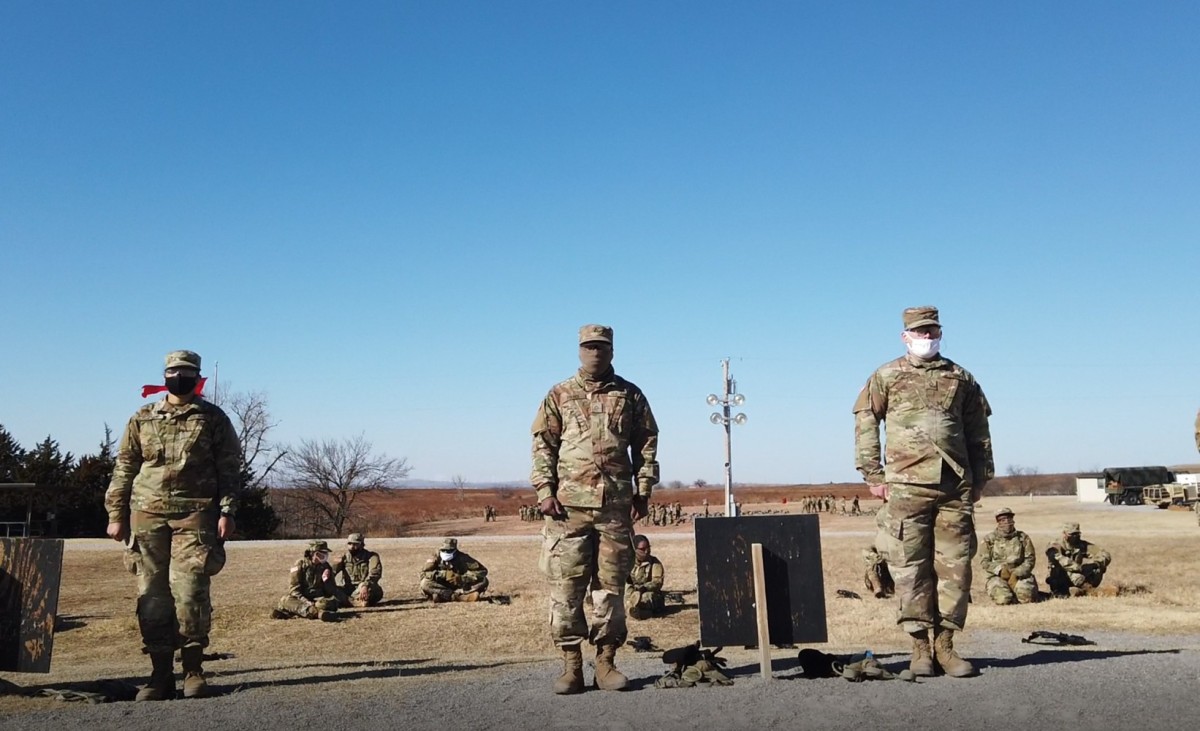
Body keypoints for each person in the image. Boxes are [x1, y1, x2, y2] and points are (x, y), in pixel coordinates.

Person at [853, 306, 993, 678]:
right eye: (920, 332)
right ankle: (919, 650)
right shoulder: (885, 376)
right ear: (905, 336)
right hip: (904, 485)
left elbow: (979, 431)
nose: (927, 338)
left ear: (940, 333)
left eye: (932, 332)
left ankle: (946, 647)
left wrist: (981, 479)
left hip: (953, 487)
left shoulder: (960, 378)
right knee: (909, 568)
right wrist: (873, 474)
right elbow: (866, 422)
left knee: (955, 569)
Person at [104, 350, 241, 701]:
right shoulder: (142, 418)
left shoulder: (213, 418)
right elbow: (125, 467)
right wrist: (115, 515)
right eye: (173, 371)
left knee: (191, 593)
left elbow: (229, 470)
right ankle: (160, 675)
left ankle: (193, 671)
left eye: (186, 372)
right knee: (152, 597)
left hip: (195, 516)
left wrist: (227, 511)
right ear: (164, 376)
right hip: (147, 515)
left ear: (197, 379)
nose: (179, 376)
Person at [531, 324, 659, 694]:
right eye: (588, 347)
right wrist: (545, 490)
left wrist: (644, 489)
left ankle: (605, 662)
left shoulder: (630, 395)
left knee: (610, 589)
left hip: (614, 508)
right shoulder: (560, 394)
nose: (595, 353)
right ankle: (571, 666)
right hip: (566, 510)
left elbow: (646, 443)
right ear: (579, 350)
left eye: (601, 347)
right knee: (566, 588)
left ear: (612, 350)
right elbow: (543, 445)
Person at [274, 539, 347, 620]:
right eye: (322, 553)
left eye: (326, 553)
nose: (325, 556)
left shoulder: (326, 566)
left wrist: (326, 580)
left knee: (327, 604)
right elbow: (294, 590)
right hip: (302, 598)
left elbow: (331, 591)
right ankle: (317, 613)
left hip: (318, 599)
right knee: (285, 600)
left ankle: (294, 613)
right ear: (314, 554)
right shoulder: (300, 565)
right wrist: (305, 601)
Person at [979, 508, 1038, 604]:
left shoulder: (1023, 537)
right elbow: (984, 561)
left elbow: (1030, 559)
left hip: (1020, 576)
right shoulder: (989, 539)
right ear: (998, 522)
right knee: (1003, 599)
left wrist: (1017, 573)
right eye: (1003, 520)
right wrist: (1000, 570)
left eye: (1009, 519)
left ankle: (1019, 593)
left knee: (1026, 598)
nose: (1006, 522)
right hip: (997, 577)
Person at [1045, 523, 1112, 597]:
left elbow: (1104, 554)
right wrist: (1079, 568)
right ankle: (1088, 590)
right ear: (1064, 534)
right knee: (1074, 575)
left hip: (1078, 575)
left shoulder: (1081, 545)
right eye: (1072, 534)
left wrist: (1096, 564)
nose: (1075, 537)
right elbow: (1062, 561)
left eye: (1077, 534)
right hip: (1059, 577)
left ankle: (1080, 590)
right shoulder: (1055, 545)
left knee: (1097, 569)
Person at [419, 538, 489, 602]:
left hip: (461, 585)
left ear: (455, 550)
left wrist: (462, 578)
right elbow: (423, 574)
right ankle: (457, 597)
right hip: (441, 585)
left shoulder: (463, 558)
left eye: (449, 550)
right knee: (424, 583)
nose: (446, 552)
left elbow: (483, 571)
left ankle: (442, 597)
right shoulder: (435, 557)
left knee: (484, 580)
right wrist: (442, 574)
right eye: (444, 550)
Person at [332, 533, 383, 607]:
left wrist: (365, 585)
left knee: (370, 592)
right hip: (349, 588)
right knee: (331, 591)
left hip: (366, 587)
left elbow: (375, 573)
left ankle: (347, 601)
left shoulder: (371, 556)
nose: (352, 547)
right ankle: (354, 602)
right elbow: (332, 573)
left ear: (362, 545)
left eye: (355, 544)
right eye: (350, 544)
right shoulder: (343, 557)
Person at [625, 535, 665, 619]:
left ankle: (637, 611)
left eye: (648, 548)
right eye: (642, 549)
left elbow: (657, 581)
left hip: (649, 592)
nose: (646, 551)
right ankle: (636, 610)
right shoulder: (627, 562)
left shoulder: (655, 562)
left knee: (647, 597)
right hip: (632, 592)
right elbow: (624, 580)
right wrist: (632, 592)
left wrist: (644, 588)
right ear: (634, 550)